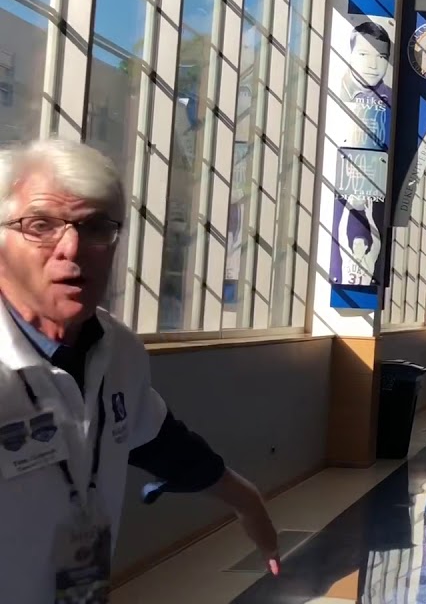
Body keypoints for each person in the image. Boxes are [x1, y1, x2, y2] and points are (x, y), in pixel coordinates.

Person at [0, 140, 278, 603]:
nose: (71, 247)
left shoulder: (118, 349)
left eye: (94, 227)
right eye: (40, 225)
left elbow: (160, 441)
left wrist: (246, 501)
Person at [339, 20, 393, 150]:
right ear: (350, 55)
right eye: (364, 54)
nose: (373, 65)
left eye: (381, 57)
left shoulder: (393, 97)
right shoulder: (336, 91)